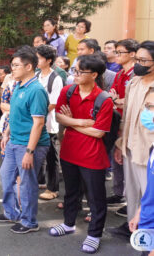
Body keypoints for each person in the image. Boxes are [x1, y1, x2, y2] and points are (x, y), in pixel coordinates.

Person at [49, 55, 113, 254]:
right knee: (71, 192)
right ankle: (68, 224)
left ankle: (94, 234)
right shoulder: (68, 92)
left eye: (80, 72)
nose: (74, 75)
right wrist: (82, 122)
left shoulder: (104, 99)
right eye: (74, 71)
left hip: (92, 156)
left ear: (94, 74)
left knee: (96, 198)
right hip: (69, 152)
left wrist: (72, 122)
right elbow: (59, 116)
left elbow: (99, 132)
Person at [0, 46, 49, 234]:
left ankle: (29, 221)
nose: (13, 69)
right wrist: (7, 133)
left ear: (29, 66)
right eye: (12, 65)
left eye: (16, 65)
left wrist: (30, 152)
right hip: (14, 141)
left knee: (26, 184)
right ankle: (11, 213)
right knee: (6, 176)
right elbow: (15, 113)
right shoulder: (18, 85)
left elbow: (38, 123)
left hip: (29, 145)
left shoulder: (36, 90)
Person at [108, 41, 154, 240]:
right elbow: (126, 116)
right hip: (129, 146)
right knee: (133, 193)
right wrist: (120, 144)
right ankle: (132, 227)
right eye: (137, 59)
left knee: (149, 195)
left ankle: (147, 232)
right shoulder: (134, 82)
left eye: (143, 60)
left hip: (148, 151)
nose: (138, 64)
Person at [106, 39, 139, 211]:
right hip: (118, 120)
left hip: (132, 123)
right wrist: (116, 100)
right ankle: (119, 193)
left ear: (132, 54)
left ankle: (131, 199)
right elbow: (113, 96)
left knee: (130, 161)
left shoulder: (136, 74)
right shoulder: (119, 74)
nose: (116, 55)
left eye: (120, 52)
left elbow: (132, 99)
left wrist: (117, 100)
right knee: (117, 158)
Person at [35, 45, 64, 201]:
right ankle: (40, 181)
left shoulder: (56, 78)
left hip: (49, 124)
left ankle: (53, 188)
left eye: (39, 58)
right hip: (37, 121)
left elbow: (53, 104)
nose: (36, 60)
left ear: (49, 60)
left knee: (52, 156)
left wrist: (35, 113)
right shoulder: (37, 75)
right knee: (37, 151)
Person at [128, 92, 154, 248]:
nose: (147, 112)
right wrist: (140, 211)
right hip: (147, 225)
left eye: (151, 107)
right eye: (147, 106)